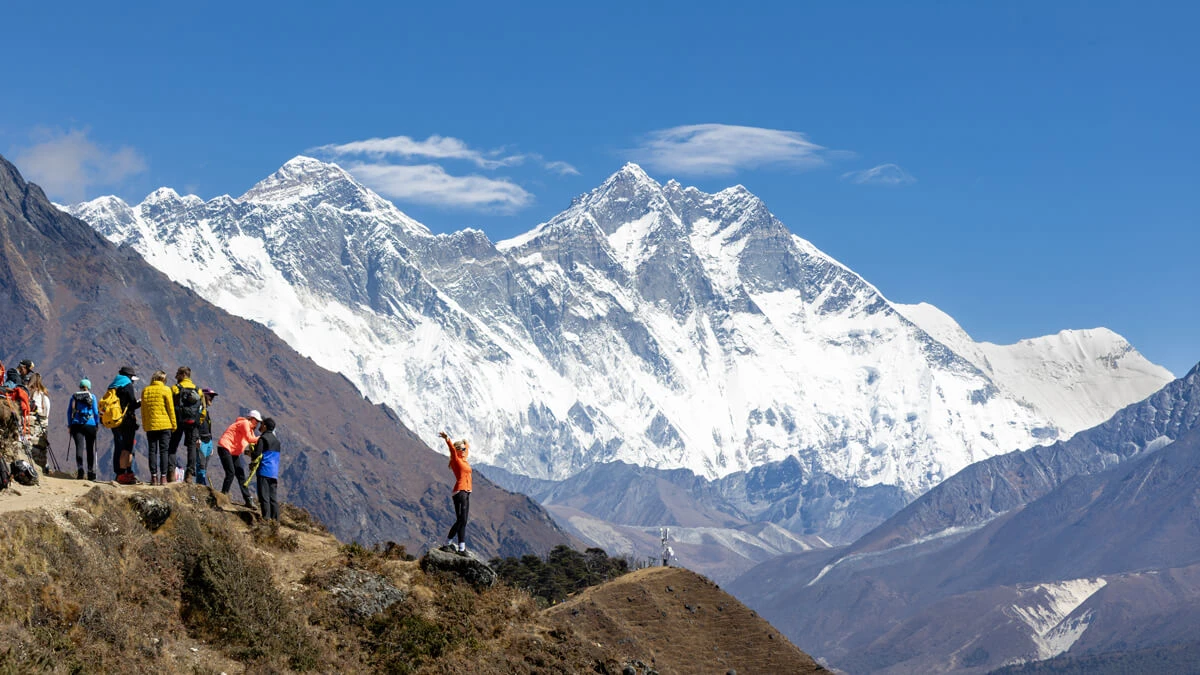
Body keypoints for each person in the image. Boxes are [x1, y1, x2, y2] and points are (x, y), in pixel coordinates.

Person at [168, 366, 207, 483]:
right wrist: (198, 422)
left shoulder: (175, 389)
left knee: (172, 447)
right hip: (193, 423)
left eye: (178, 375)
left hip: (178, 421)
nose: (176, 377)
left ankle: (171, 474)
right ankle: (189, 475)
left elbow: (169, 406)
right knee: (191, 448)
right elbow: (204, 410)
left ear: (183, 375)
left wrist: (172, 421)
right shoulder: (198, 390)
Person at [218, 410, 261, 507]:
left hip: (233, 452)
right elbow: (250, 439)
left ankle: (248, 499)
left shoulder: (250, 429)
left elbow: (253, 441)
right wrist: (262, 438)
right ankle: (223, 496)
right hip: (224, 447)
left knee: (241, 475)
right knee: (230, 472)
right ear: (251, 419)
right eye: (256, 421)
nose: (257, 424)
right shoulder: (245, 423)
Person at [141, 370, 176, 486]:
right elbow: (171, 409)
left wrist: (145, 425)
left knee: (152, 451)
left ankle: (154, 477)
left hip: (151, 426)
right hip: (165, 425)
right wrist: (174, 425)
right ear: (163, 379)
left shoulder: (146, 391)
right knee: (164, 451)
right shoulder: (166, 390)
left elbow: (144, 411)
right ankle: (164, 478)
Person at [439, 431, 472, 554]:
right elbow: (452, 449)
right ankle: (447, 542)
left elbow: (466, 448)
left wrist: (465, 442)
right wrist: (447, 438)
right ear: (457, 450)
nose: (464, 450)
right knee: (461, 520)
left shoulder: (464, 458)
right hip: (459, 492)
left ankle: (462, 548)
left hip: (467, 492)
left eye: (464, 449)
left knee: (463, 521)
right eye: (462, 449)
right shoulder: (456, 460)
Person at [107, 366, 141, 484]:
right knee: (127, 448)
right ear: (129, 377)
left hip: (115, 420)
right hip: (126, 421)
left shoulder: (113, 385)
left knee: (118, 446)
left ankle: (118, 474)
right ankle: (126, 473)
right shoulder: (127, 385)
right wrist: (140, 402)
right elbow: (132, 404)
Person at [66, 379, 99, 480]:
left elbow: (69, 412)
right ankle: (90, 472)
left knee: (79, 448)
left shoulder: (74, 397)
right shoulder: (92, 397)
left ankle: (80, 470)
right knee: (90, 448)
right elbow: (96, 412)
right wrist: (96, 423)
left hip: (76, 424)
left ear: (80, 386)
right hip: (90, 424)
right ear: (89, 387)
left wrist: (70, 424)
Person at [251, 417, 281, 521]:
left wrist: (249, 453)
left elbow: (256, 454)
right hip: (274, 472)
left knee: (264, 496)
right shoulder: (277, 441)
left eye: (262, 424)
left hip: (264, 470)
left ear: (265, 426)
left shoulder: (263, 439)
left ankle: (266, 519)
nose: (260, 426)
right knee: (273, 497)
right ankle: (275, 520)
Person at [26, 373, 52, 473]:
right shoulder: (43, 394)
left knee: (30, 444)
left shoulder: (29, 393)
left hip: (30, 421)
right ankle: (43, 465)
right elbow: (47, 409)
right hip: (41, 421)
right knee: (41, 445)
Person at [195, 388, 218, 486]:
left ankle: (202, 483)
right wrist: (197, 438)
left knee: (204, 465)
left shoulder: (205, 411)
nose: (212, 399)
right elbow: (195, 424)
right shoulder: (198, 409)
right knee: (201, 464)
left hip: (208, 441)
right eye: (210, 396)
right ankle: (201, 485)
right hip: (201, 441)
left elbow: (208, 426)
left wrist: (211, 444)